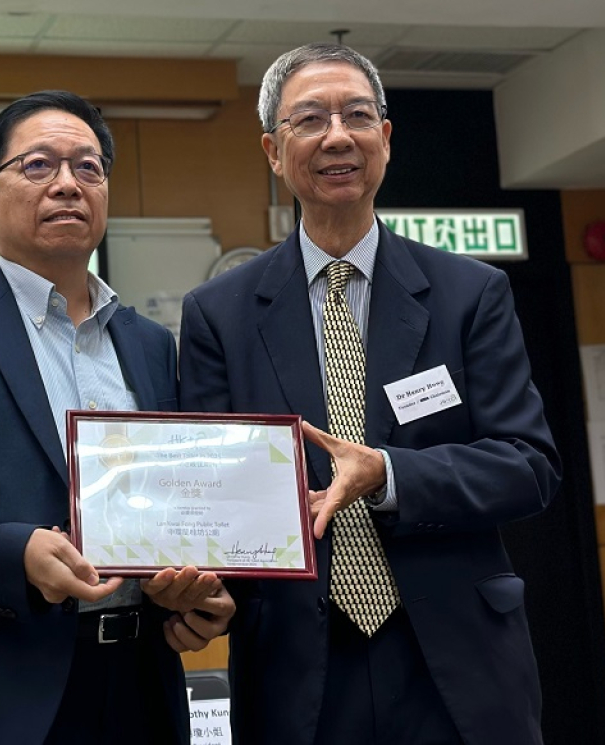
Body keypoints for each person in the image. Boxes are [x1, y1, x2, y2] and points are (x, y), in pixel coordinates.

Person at [178, 44, 562, 745]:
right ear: (273, 149)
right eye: (310, 119)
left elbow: (528, 465)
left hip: (456, 656)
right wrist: (195, 590)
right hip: (298, 664)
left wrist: (388, 474)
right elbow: (212, 497)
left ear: (384, 139)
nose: (337, 135)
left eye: (358, 115)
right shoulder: (219, 314)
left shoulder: (470, 294)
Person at [0, 90, 233, 745]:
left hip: (138, 683)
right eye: (39, 165)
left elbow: (175, 505)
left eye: (88, 168)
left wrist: (196, 588)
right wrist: (18, 552)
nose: (68, 184)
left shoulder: (150, 345)